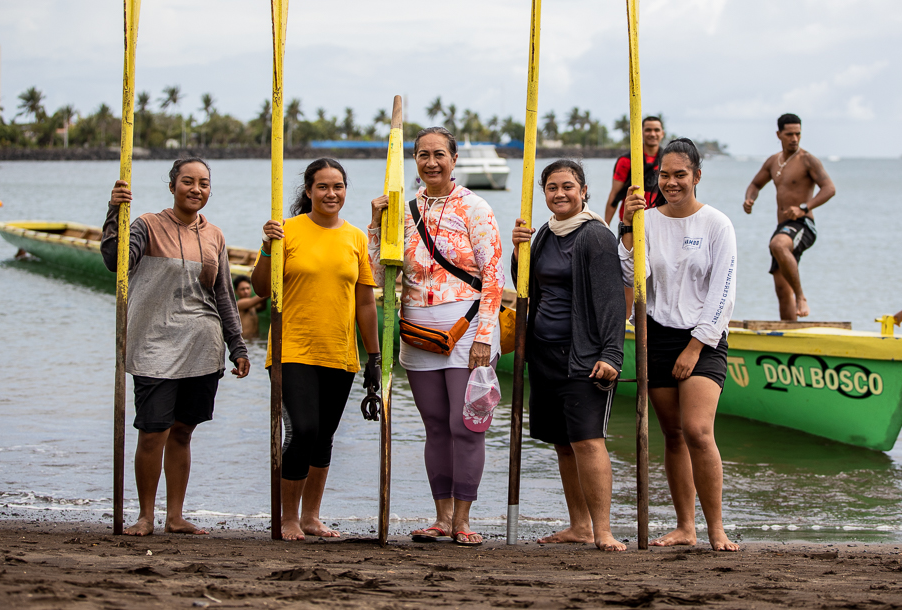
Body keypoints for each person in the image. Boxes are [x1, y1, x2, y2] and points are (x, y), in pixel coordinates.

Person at [369, 126, 504, 547]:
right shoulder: (402, 211)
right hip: (416, 328)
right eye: (423, 154)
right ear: (413, 159)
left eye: (439, 154)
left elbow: (495, 276)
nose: (431, 162)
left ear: (454, 159)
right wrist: (376, 225)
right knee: (435, 427)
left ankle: (463, 519)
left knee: (466, 425)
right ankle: (441, 518)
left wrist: (484, 334)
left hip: (467, 327)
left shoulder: (474, 207)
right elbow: (377, 275)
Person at [102, 157, 250, 536]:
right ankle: (145, 516)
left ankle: (176, 516)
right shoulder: (146, 225)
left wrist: (238, 346)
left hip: (203, 344)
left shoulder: (214, 235)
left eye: (203, 183)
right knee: (153, 430)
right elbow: (114, 260)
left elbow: (223, 296)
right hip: (153, 343)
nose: (196, 189)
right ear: (172, 186)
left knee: (183, 431)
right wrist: (114, 211)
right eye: (188, 181)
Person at [252, 158, 381, 541]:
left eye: (338, 186)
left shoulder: (356, 237)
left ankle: (311, 517)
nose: (331, 194)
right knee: (303, 430)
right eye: (323, 186)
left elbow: (365, 304)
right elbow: (261, 287)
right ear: (308, 191)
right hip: (292, 348)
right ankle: (288, 517)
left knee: (324, 436)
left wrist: (373, 357)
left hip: (340, 352)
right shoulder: (286, 231)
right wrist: (266, 247)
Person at [619, 138, 739, 552]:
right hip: (656, 334)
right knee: (672, 434)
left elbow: (723, 292)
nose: (671, 182)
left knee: (698, 431)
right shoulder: (647, 220)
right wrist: (628, 229)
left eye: (680, 175)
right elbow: (632, 276)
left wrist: (695, 347)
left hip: (703, 337)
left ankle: (716, 528)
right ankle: (685, 526)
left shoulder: (717, 224)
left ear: (697, 176)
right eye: (665, 175)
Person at [511, 159, 626, 552]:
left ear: (583, 191)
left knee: (588, 440)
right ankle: (579, 525)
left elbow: (612, 300)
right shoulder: (543, 233)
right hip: (543, 354)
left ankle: (603, 529)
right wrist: (518, 251)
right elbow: (526, 286)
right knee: (562, 442)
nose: (560, 194)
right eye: (552, 188)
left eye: (568, 186)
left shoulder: (595, 236)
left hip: (585, 356)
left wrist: (612, 354)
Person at [743, 113, 836, 320]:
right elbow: (755, 184)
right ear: (779, 134)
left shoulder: (807, 160)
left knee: (777, 245)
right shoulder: (773, 161)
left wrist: (804, 208)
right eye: (789, 134)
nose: (794, 138)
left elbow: (829, 188)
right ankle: (788, 333)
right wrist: (750, 199)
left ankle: (802, 297)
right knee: (782, 290)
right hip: (784, 226)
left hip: (803, 224)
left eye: (798, 134)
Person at [605, 115, 667, 317]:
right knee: (628, 277)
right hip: (630, 227)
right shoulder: (627, 160)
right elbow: (614, 196)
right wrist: (605, 226)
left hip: (659, 226)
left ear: (662, 133)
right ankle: (627, 322)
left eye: (656, 130)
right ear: (641, 133)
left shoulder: (667, 159)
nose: (652, 134)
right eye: (648, 130)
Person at [233, 276, 266, 340]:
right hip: (245, 342)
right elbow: (262, 297)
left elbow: (262, 306)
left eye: (248, 288)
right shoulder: (239, 304)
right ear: (236, 292)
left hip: (254, 341)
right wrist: (273, 287)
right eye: (242, 289)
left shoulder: (253, 306)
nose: (246, 291)